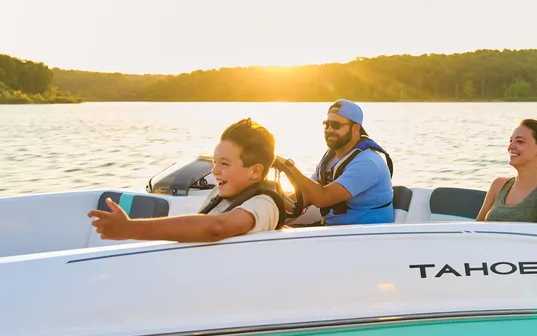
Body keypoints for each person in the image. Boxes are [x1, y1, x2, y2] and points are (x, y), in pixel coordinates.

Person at [88, 118, 284, 242]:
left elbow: (217, 228)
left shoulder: (263, 205)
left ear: (255, 172)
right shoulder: (228, 194)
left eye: (225, 164)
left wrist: (130, 228)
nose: (214, 170)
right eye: (215, 162)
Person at [287, 99, 394, 225]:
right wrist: (272, 204)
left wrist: (290, 168)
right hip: (337, 229)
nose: (329, 129)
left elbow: (322, 198)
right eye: (327, 124)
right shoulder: (331, 157)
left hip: (365, 234)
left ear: (355, 129)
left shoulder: (368, 162)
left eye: (336, 125)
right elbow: (307, 195)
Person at [476, 119, 537, 224]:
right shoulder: (499, 185)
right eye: (511, 141)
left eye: (520, 141)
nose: (510, 147)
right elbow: (476, 230)